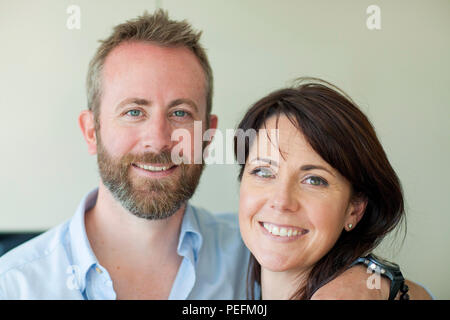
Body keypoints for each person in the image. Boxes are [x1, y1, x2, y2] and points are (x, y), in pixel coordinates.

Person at [0, 10, 393, 299]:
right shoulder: (14, 285)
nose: (158, 140)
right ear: (92, 131)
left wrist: (374, 282)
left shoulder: (261, 247)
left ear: (208, 134)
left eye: (180, 113)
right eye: (134, 112)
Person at [235, 78, 434, 299]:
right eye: (263, 172)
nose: (281, 201)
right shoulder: (220, 247)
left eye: (314, 180)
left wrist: (380, 286)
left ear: (354, 208)